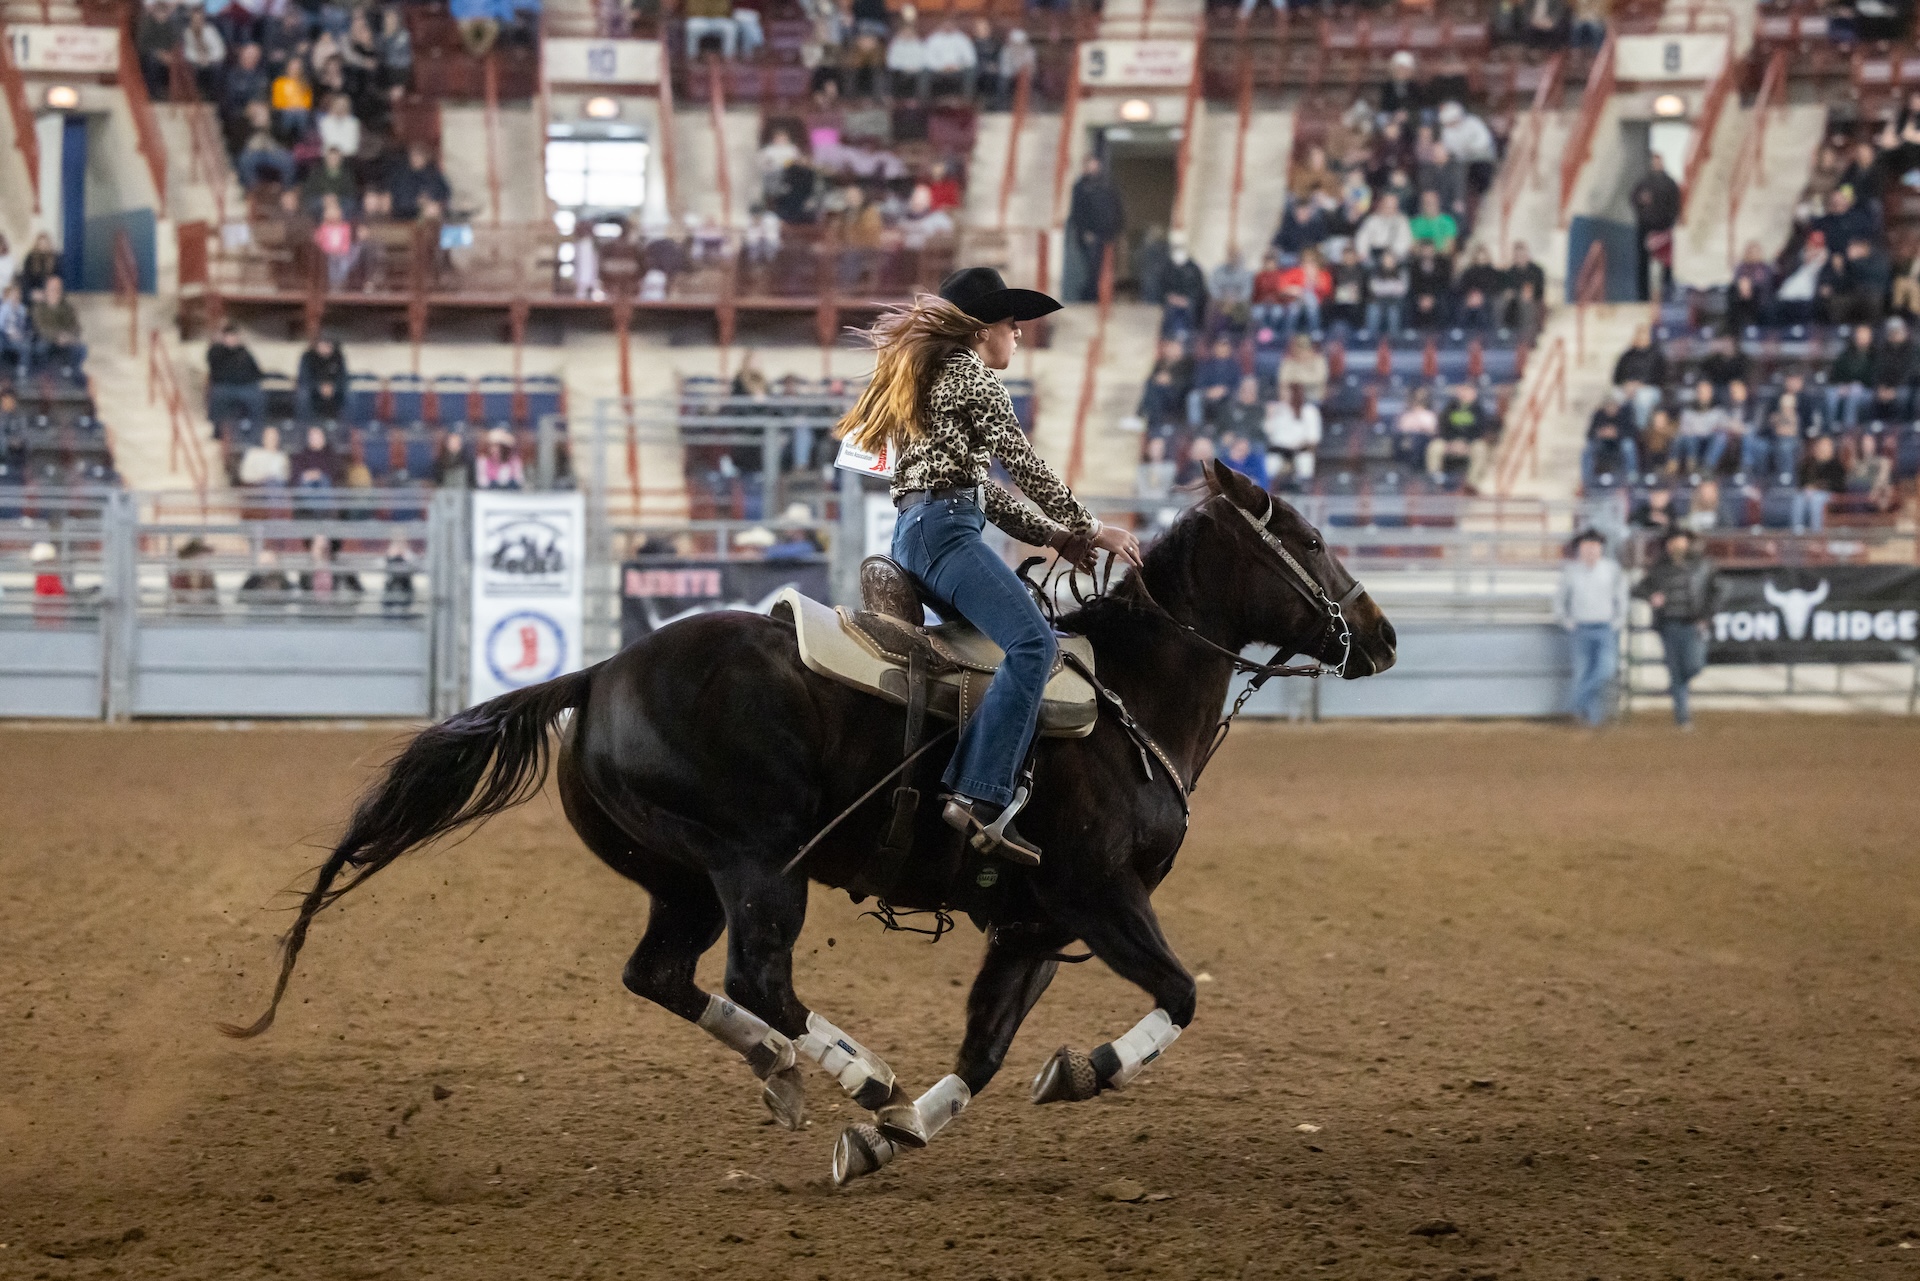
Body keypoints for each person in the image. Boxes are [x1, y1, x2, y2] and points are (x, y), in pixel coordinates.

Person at [836, 267, 1140, 866]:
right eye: (1011, 323)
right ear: (981, 331)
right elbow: (1023, 467)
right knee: (1034, 646)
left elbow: (987, 494)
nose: (1019, 335)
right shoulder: (973, 380)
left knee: (1019, 639)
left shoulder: (936, 379)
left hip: (921, 535)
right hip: (946, 537)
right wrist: (1089, 527)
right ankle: (978, 793)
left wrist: (1055, 534)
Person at [1633, 528, 1715, 728]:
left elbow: (1716, 592)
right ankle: (1683, 718)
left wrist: (1705, 617)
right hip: (1668, 625)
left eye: (1680, 541)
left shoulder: (1702, 565)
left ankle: (1678, 689)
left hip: (1692, 624)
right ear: (1668, 545)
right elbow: (1637, 589)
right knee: (1676, 671)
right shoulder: (1659, 568)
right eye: (1673, 542)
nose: (1677, 545)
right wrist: (1651, 596)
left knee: (1694, 665)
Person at [1556, 528, 1624, 727]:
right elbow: (1559, 600)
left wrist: (1618, 621)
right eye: (1586, 547)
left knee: (1606, 669)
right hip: (1581, 627)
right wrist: (1565, 620)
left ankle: (1576, 704)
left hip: (1605, 627)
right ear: (1579, 549)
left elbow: (1621, 597)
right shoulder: (1571, 571)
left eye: (1594, 546)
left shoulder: (1612, 570)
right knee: (1583, 671)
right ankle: (1592, 719)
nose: (1591, 551)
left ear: (1601, 549)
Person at [1631, 152, 1681, 301]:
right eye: (1653, 162)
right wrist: (1641, 201)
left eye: (1658, 162)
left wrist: (1670, 222)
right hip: (1645, 228)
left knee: (1666, 264)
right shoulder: (1643, 182)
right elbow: (1633, 198)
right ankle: (1642, 297)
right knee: (1643, 263)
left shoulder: (1670, 183)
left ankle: (1667, 295)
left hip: (1664, 227)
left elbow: (1675, 204)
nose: (1655, 164)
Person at [206, 322, 268, 428]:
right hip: (225, 386)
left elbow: (255, 370)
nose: (232, 339)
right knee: (219, 395)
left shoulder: (244, 352)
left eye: (234, 336)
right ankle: (219, 429)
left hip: (246, 386)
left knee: (257, 396)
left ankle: (256, 429)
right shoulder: (217, 351)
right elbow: (214, 367)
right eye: (229, 336)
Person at [1263, 382, 1322, 488]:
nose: (1283, 394)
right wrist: (1269, 415)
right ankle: (1267, 492)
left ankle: (1305, 488)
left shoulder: (1309, 410)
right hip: (1279, 448)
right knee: (1269, 464)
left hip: (1300, 448)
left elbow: (1314, 437)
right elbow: (1268, 432)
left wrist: (1299, 445)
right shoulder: (1277, 409)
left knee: (1306, 461)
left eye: (1286, 392)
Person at [30, 276, 86, 375]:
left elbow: (76, 326)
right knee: (41, 347)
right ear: (46, 290)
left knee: (81, 348)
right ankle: (44, 372)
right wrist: (57, 336)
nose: (55, 291)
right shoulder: (39, 307)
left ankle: (73, 371)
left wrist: (68, 336)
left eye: (58, 288)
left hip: (65, 339)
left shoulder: (68, 307)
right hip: (47, 339)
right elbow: (40, 328)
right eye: (52, 289)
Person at [1792, 434, 1846, 532]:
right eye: (1821, 445)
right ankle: (1797, 531)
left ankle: (1816, 532)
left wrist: (1817, 487)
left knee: (1816, 499)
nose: (1824, 448)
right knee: (1798, 498)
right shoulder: (1809, 464)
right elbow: (1802, 482)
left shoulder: (1836, 465)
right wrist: (1807, 488)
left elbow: (1839, 485)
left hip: (1829, 495)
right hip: (1808, 494)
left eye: (1827, 446)